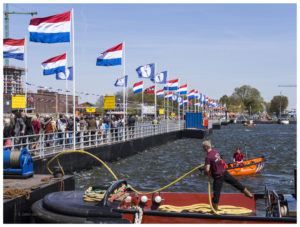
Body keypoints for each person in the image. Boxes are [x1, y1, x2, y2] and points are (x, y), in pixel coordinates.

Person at [202, 140, 253, 211]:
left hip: (218, 176)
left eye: (203, 147)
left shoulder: (208, 157)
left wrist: (206, 173)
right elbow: (217, 162)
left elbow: (207, 170)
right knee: (235, 182)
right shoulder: (215, 152)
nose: (202, 149)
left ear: (206, 147)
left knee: (216, 194)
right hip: (224, 172)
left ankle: (214, 209)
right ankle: (247, 192)